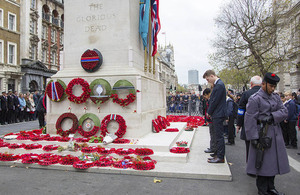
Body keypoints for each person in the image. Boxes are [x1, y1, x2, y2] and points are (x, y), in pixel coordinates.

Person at [245, 72, 289, 195]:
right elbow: (249, 119)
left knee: (273, 162)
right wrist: (253, 137)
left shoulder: (275, 97)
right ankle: (262, 189)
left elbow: (284, 111)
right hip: (262, 133)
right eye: (271, 86)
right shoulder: (255, 98)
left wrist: (272, 116)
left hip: (275, 133)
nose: (273, 88)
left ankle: (271, 187)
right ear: (263, 84)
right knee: (262, 163)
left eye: (274, 86)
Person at [203, 70, 227, 163]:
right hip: (217, 113)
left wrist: (209, 112)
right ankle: (217, 154)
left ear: (212, 76)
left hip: (218, 114)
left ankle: (220, 157)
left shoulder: (219, 85)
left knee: (219, 136)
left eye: (208, 79)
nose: (208, 81)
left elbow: (215, 101)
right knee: (217, 136)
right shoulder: (218, 85)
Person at [237, 75, 262, 162]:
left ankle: (250, 165)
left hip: (249, 124)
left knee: (249, 147)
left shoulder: (246, 94)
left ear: (251, 83)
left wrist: (239, 124)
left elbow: (241, 110)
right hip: (263, 124)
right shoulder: (265, 93)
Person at [202, 88, 216, 154]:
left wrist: (208, 117)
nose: (205, 97)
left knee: (213, 134)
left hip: (212, 119)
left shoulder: (211, 100)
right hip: (210, 119)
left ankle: (213, 148)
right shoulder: (209, 100)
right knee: (212, 134)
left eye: (205, 95)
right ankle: (212, 147)